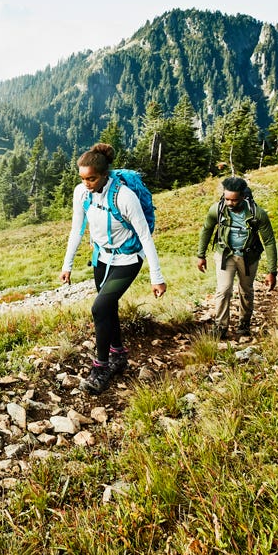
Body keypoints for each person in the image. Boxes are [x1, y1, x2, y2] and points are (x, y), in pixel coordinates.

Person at [59, 143, 167, 394]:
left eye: (92, 178)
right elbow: (77, 229)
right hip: (102, 258)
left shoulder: (124, 196)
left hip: (128, 260)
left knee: (99, 307)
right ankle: (118, 353)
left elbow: (145, 236)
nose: (86, 183)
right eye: (83, 178)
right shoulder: (81, 193)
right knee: (108, 309)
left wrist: (156, 277)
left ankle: (101, 367)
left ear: (104, 174)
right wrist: (67, 265)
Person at [195, 176, 278, 339]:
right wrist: (201, 255)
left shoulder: (257, 214)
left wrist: (272, 271)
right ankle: (220, 327)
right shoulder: (217, 209)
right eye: (226, 199)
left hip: (249, 257)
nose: (229, 203)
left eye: (234, 200)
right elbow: (207, 230)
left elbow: (269, 241)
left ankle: (244, 324)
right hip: (225, 255)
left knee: (246, 290)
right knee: (223, 290)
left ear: (243, 197)